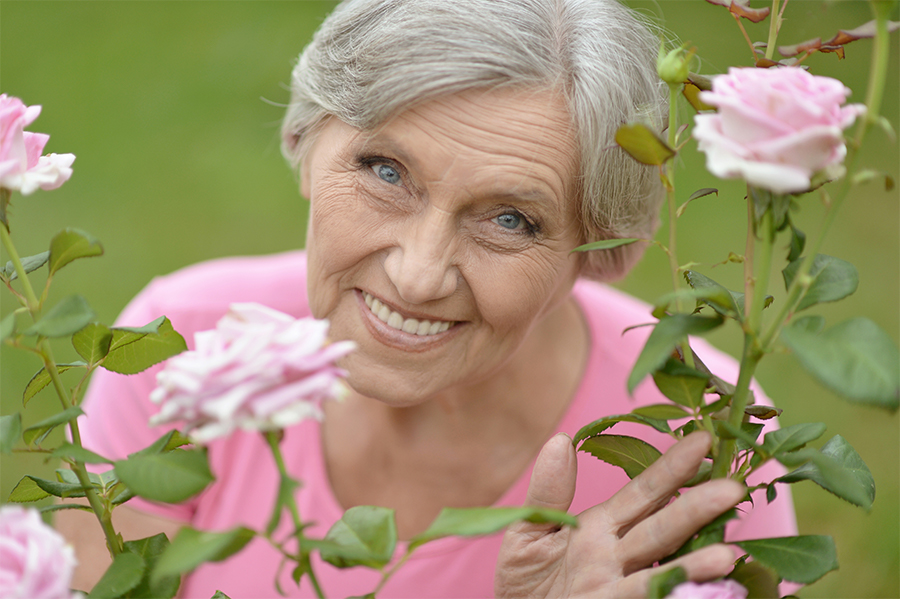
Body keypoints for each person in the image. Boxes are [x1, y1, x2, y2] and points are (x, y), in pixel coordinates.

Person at [57, 0, 797, 597]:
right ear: (304, 143)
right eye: (384, 171)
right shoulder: (179, 343)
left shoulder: (701, 439)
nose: (417, 276)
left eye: (511, 219)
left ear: (598, 251)